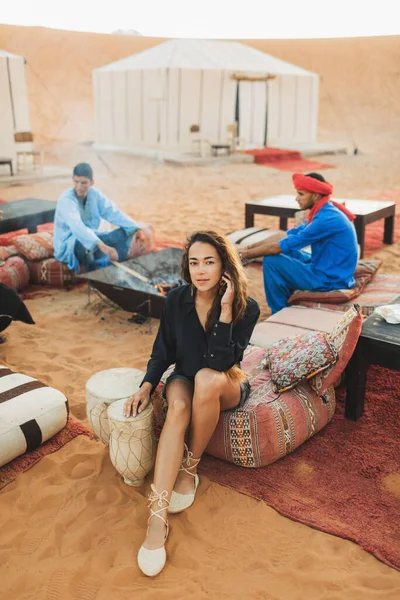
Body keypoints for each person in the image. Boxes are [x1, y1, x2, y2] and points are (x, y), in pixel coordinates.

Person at [123, 231, 260, 577]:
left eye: (209, 262)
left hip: (224, 382)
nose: (201, 271)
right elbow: (162, 351)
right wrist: (146, 385)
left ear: (224, 266)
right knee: (179, 409)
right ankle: (157, 518)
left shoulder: (246, 307)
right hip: (184, 378)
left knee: (205, 378)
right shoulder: (175, 301)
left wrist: (226, 310)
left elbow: (220, 362)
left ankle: (190, 467)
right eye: (194, 262)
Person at [239, 172, 359, 314]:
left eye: (301, 194)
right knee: (288, 250)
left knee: (272, 260)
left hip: (330, 279)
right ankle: (286, 299)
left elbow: (276, 248)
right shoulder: (324, 211)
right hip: (328, 267)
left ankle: (279, 312)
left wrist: (243, 255)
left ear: (315, 195)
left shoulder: (325, 219)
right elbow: (286, 236)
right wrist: (249, 248)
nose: (296, 198)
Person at [53, 163, 147, 273]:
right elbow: (77, 226)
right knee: (86, 249)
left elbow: (112, 212)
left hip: (94, 237)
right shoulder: (66, 199)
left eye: (84, 183)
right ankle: (97, 273)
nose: (79, 187)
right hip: (70, 244)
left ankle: (108, 261)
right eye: (76, 182)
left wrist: (136, 228)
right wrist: (101, 245)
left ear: (92, 182)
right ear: (72, 179)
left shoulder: (95, 194)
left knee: (125, 233)